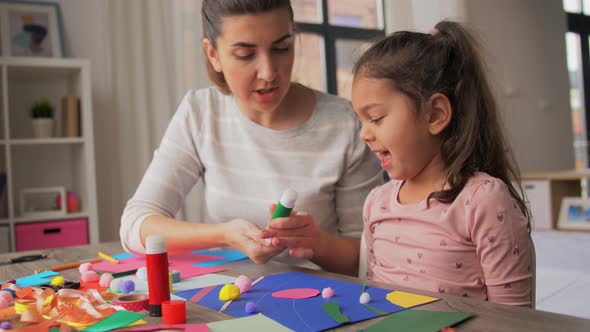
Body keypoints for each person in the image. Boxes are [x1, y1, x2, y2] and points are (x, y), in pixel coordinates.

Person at [264, 20, 533, 306]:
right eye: (361, 120)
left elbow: (514, 320)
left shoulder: (483, 201)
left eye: (376, 118)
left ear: (435, 115)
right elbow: (371, 300)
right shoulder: (377, 202)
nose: (364, 134)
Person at [120, 0, 382, 270]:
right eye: (245, 55)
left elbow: (369, 257)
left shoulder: (345, 125)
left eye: (282, 48)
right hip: (224, 299)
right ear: (213, 55)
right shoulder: (200, 113)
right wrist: (223, 234)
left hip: (317, 302)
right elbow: (135, 227)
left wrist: (316, 244)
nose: (268, 73)